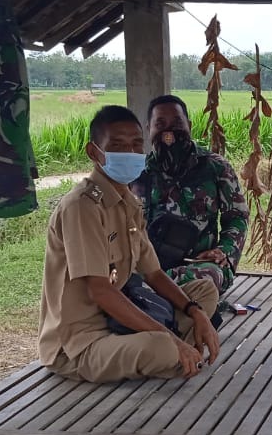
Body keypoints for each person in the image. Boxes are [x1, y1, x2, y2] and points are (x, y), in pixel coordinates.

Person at [38, 105, 221, 383]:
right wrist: (171, 339)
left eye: (136, 144)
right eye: (117, 145)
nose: (130, 153)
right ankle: (177, 352)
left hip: (123, 320)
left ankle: (180, 348)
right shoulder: (82, 207)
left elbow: (155, 274)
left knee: (203, 292)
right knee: (161, 347)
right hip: (83, 342)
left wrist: (196, 313)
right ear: (94, 152)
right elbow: (101, 292)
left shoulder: (128, 202)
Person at [131, 94, 249, 296]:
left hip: (199, 265)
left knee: (209, 277)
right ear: (149, 129)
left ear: (189, 125)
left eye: (177, 122)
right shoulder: (135, 172)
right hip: (149, 266)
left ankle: (151, 294)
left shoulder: (214, 166)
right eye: (160, 123)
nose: (169, 131)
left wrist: (224, 252)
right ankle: (157, 293)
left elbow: (237, 217)